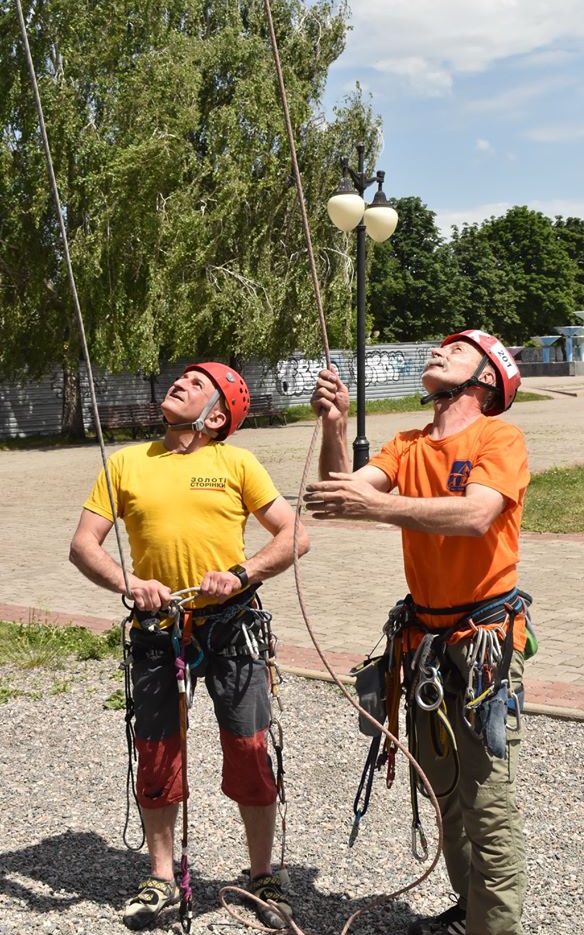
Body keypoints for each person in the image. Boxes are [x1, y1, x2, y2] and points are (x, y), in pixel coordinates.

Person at [70, 362, 309, 932]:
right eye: (182, 377)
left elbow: (296, 534)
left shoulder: (236, 462)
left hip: (232, 624)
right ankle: (159, 877)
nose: (181, 382)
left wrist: (242, 572)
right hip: (158, 628)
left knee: (250, 748)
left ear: (218, 416)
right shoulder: (126, 463)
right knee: (155, 751)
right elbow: (83, 545)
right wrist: (129, 584)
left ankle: (260, 877)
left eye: (198, 384)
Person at [305, 331, 530, 935]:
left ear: (487, 378)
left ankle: (495, 929)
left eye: (458, 350)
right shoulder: (406, 444)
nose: (440, 350)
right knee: (445, 792)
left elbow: (476, 514)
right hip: (427, 644)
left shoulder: (497, 436)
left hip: (484, 640)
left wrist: (376, 506)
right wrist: (336, 423)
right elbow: (339, 498)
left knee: (486, 804)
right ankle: (468, 911)